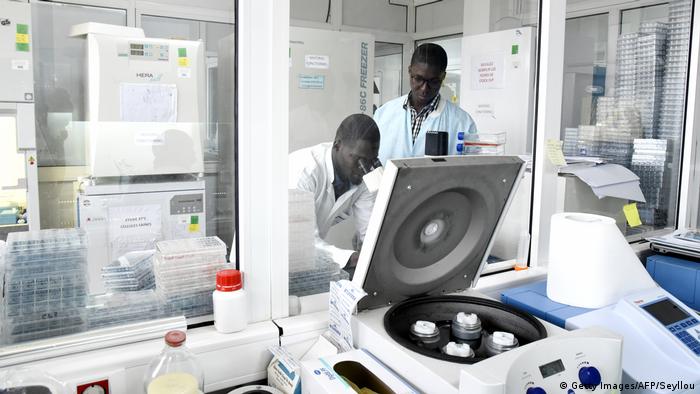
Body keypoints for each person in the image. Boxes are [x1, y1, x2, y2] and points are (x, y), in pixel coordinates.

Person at [288, 113, 380, 271]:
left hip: (304, 264)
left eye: (371, 160)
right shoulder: (304, 172)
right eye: (358, 159)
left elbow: (370, 232)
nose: (364, 167)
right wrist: (352, 258)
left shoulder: (363, 174)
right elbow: (300, 241)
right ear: (337, 145)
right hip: (267, 259)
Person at [374, 43, 477, 163]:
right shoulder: (383, 114)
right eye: (418, 79)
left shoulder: (462, 122)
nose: (424, 88)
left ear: (443, 76)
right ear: (409, 71)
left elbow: (471, 172)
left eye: (433, 81)